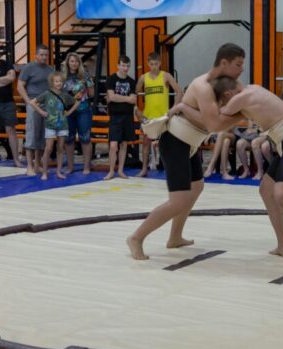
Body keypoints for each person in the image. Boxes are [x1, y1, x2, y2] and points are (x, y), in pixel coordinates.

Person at [126, 43, 245, 260]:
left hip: (191, 143)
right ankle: (136, 237)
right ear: (224, 63)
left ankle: (175, 237)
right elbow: (214, 125)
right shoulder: (202, 86)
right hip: (174, 142)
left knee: (197, 186)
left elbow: (246, 97)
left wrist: (183, 108)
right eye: (238, 64)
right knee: (178, 200)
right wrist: (241, 115)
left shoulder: (230, 84)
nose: (241, 70)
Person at [209, 76, 283, 279]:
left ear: (227, 95)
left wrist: (188, 108)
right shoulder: (253, 88)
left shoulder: (239, 98)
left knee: (282, 195)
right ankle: (282, 245)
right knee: (265, 190)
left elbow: (216, 122)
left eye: (224, 99)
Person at [136, 52, 182, 177]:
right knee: (146, 143)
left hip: (163, 116)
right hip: (149, 116)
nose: (154, 66)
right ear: (148, 63)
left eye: (156, 64)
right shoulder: (143, 78)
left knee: (168, 143)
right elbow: (133, 94)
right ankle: (144, 169)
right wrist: (137, 111)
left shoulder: (166, 76)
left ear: (160, 63)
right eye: (151, 64)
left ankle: (171, 168)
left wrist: (173, 109)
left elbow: (179, 92)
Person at [30, 71, 80, 181]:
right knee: (48, 148)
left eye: (60, 81)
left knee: (61, 148)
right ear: (52, 82)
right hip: (50, 125)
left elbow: (77, 102)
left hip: (62, 125)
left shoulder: (65, 95)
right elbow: (33, 102)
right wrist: (41, 112)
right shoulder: (47, 94)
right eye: (56, 81)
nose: (59, 83)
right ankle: (44, 171)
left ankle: (58, 171)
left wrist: (69, 112)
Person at [16, 44, 53, 176]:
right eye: (41, 54)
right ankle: (29, 167)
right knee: (31, 135)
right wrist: (28, 102)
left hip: (46, 105)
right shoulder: (28, 68)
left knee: (41, 136)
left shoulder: (50, 70)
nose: (44, 57)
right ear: (36, 55)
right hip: (33, 103)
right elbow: (20, 86)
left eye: (46, 55)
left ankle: (37, 165)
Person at [61, 53, 95, 175]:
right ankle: (70, 167)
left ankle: (86, 167)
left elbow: (91, 94)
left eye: (76, 61)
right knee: (68, 139)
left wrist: (89, 85)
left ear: (79, 63)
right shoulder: (63, 76)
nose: (74, 63)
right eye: (71, 61)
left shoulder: (85, 75)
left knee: (85, 138)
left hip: (83, 110)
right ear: (68, 63)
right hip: (68, 111)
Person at [104, 55, 137, 180]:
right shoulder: (111, 79)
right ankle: (111, 170)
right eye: (123, 65)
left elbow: (134, 100)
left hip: (127, 116)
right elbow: (111, 97)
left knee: (124, 144)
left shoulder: (131, 81)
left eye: (127, 66)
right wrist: (127, 98)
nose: (125, 68)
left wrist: (124, 99)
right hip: (115, 116)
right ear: (118, 65)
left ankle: (121, 171)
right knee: (113, 145)